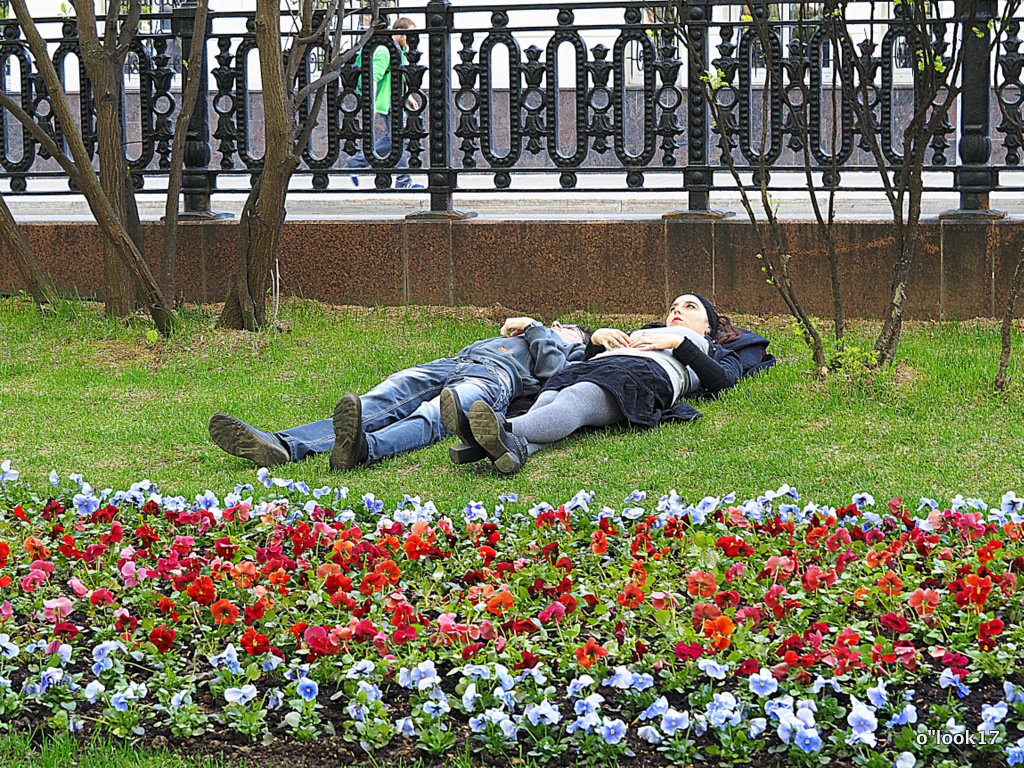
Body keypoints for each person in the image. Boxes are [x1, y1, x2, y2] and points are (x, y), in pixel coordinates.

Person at [443, 294, 774, 474]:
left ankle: (491, 431)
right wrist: (597, 340)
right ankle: (514, 449)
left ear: (707, 324)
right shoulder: (646, 329)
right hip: (598, 367)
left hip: (640, 377)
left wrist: (678, 344)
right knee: (548, 402)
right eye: (673, 306)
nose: (677, 311)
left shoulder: (710, 348)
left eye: (690, 307)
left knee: (575, 401)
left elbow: (724, 383)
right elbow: (588, 358)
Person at [207, 318, 590, 470]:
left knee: (434, 416)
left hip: (494, 379)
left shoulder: (565, 348)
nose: (559, 325)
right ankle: (283, 445)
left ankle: (364, 451)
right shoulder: (520, 334)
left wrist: (541, 328)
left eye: (568, 327)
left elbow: (554, 372)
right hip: (452, 362)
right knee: (380, 399)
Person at [346, 17, 422, 189]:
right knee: (399, 139)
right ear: (401, 32)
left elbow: (396, 77)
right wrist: (370, 104)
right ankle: (403, 182)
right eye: (410, 33)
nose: (413, 38)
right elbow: (373, 78)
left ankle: (356, 163)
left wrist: (408, 98)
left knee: (394, 138)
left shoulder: (396, 50)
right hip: (387, 102)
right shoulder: (384, 50)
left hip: (394, 100)